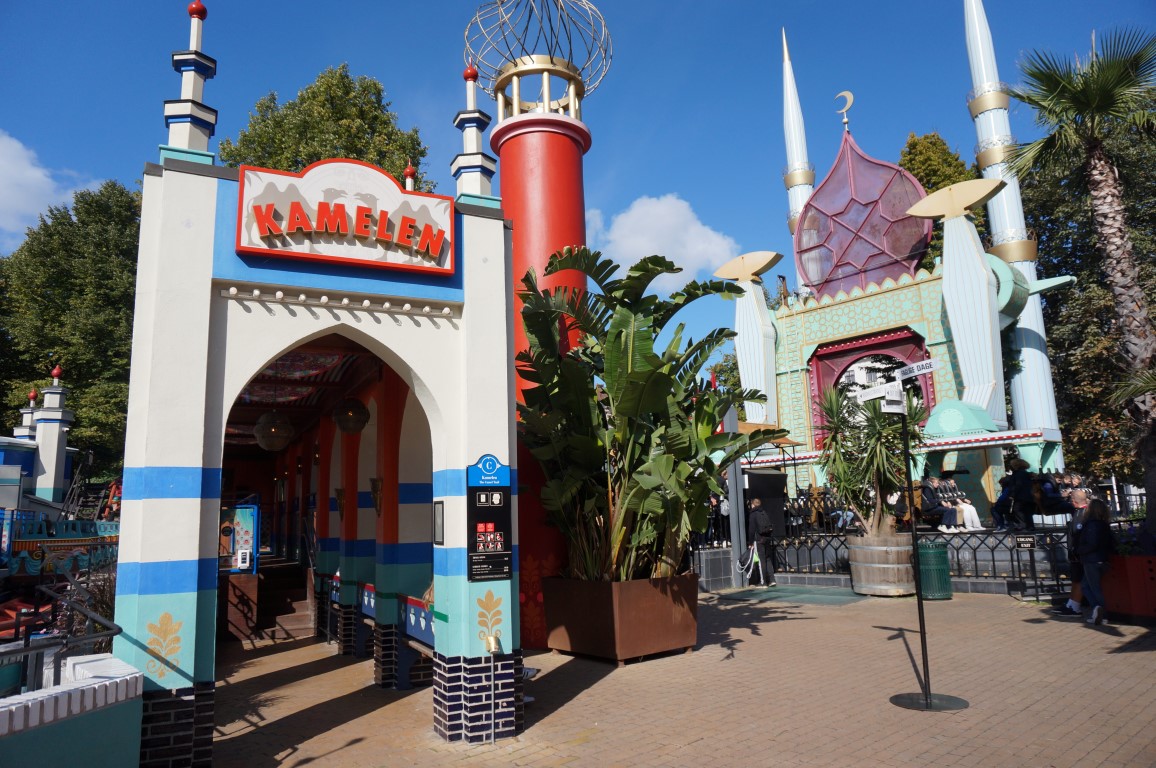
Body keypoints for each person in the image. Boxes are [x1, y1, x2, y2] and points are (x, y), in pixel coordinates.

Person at [1076, 498, 1115, 626]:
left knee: (1093, 588)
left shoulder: (1091, 524)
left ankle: (1100, 611)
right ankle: (1097, 611)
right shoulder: (1105, 524)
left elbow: (1092, 544)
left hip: (1092, 559)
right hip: (1103, 559)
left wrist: (1079, 550)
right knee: (1086, 586)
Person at [1053, 489, 1090, 618]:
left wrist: (1075, 550)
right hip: (1077, 552)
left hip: (1078, 553)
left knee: (1078, 580)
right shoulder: (1081, 512)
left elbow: (1077, 534)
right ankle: (1071, 603)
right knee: (1075, 579)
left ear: (1074, 501)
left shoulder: (1082, 514)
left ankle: (1075, 606)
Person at [746, 497, 777, 586]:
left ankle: (762, 582)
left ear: (753, 505)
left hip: (759, 539)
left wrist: (750, 543)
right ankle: (772, 580)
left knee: (761, 560)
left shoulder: (753, 514)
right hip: (767, 538)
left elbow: (751, 530)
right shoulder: (763, 512)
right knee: (767, 559)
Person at [1008, 458, 1036, 531]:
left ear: (1015, 465)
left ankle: (1023, 525)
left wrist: (1012, 494)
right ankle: (1030, 526)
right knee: (1027, 512)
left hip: (1021, 496)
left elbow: (1018, 485)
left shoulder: (1018, 474)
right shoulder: (1025, 473)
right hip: (1029, 496)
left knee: (1017, 510)